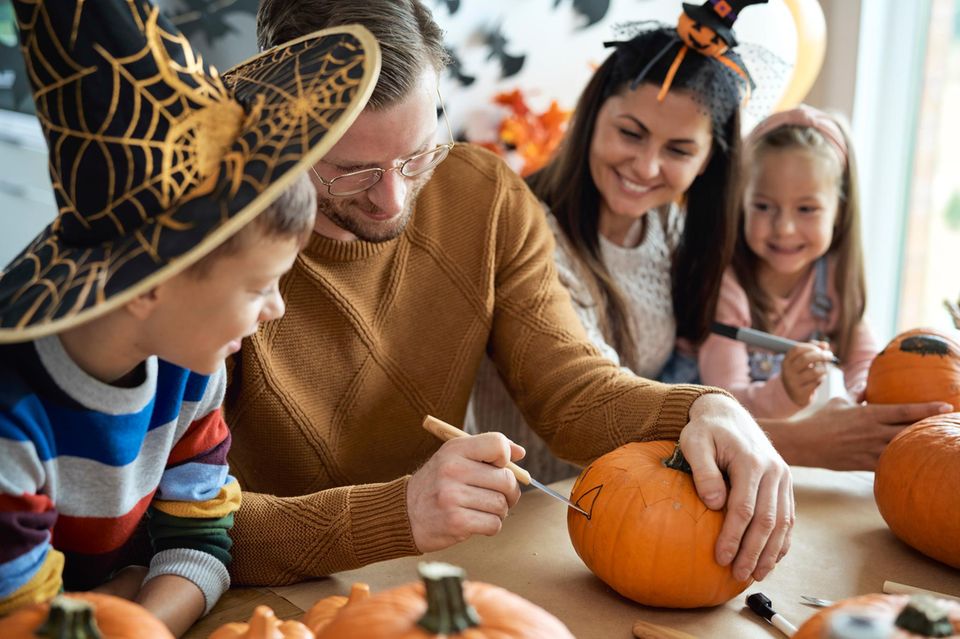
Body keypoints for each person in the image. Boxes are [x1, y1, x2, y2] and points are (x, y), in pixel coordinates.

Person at [224, 0, 792, 590]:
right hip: (262, 600)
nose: (392, 201)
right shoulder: (215, 243)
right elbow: (179, 525)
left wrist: (705, 406)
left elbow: (571, 390)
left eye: (417, 154)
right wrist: (399, 513)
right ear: (283, 127)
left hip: (428, 581)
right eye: (352, 171)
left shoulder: (484, 196)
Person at [0, 1, 377, 634]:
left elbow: (201, 543)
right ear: (145, 284)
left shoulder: (193, 375)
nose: (275, 309)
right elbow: (29, 624)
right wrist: (130, 602)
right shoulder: (13, 424)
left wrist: (137, 614)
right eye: (260, 285)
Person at [467, 7, 758, 481]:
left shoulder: (669, 226)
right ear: (593, 116)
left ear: (707, 161)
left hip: (627, 488)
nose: (645, 167)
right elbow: (590, 399)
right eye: (630, 134)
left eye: (678, 150)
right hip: (526, 503)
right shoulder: (529, 229)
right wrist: (802, 439)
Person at [698, 106, 876, 419]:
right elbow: (725, 402)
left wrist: (866, 397)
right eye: (764, 206)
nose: (784, 228)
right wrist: (786, 393)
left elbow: (864, 361)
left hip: (767, 440)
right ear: (742, 202)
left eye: (806, 209)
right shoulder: (727, 288)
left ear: (839, 210)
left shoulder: (834, 282)